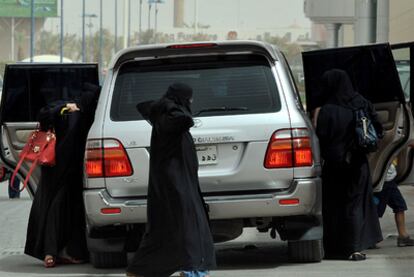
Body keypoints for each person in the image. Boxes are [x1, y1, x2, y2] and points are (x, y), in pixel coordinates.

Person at [126, 83, 216, 277]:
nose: (191, 102)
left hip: (177, 182)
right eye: (189, 98)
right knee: (187, 225)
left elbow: (146, 106)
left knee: (170, 229)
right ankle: (192, 269)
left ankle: (150, 269)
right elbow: (185, 120)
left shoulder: (163, 116)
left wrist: (166, 105)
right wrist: (170, 106)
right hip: (176, 183)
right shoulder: (171, 118)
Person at [24, 83, 100, 268]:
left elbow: (43, 117)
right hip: (70, 170)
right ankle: (61, 252)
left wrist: (62, 108)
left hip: (54, 169)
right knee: (67, 211)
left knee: (53, 208)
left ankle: (51, 252)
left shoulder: (65, 107)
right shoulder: (87, 113)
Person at [316, 69, 383, 261]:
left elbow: (321, 138)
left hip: (334, 166)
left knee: (333, 205)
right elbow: (378, 130)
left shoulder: (326, 110)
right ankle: (354, 248)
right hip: (358, 163)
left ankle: (333, 248)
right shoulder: (361, 103)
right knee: (354, 205)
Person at [373, 162, 414, 247]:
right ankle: (370, 239)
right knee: (375, 211)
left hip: (389, 179)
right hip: (383, 180)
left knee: (400, 206)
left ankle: (403, 236)